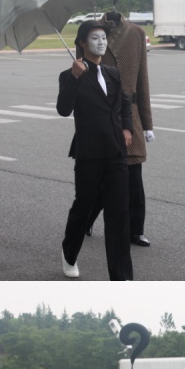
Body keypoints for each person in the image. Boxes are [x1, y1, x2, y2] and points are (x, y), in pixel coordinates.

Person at [57, 18, 133, 280]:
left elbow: (124, 103)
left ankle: (121, 276)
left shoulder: (112, 72)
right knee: (84, 207)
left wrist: (127, 128)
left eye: (103, 38)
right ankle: (69, 253)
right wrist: (74, 78)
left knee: (119, 213)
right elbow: (63, 109)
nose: (101, 43)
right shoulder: (70, 75)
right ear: (81, 42)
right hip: (89, 153)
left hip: (116, 152)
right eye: (94, 38)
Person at [101, 0, 154, 246]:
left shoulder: (136, 33)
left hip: (129, 115)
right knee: (98, 176)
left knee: (134, 176)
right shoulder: (91, 31)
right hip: (101, 114)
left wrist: (147, 124)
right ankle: (85, 220)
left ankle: (135, 229)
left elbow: (142, 80)